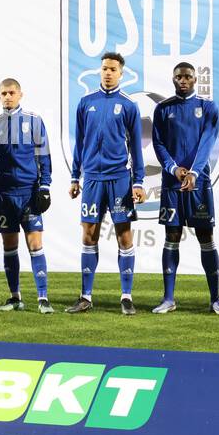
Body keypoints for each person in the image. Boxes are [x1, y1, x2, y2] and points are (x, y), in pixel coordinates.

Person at [66, 52, 146, 315]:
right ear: (99, 71)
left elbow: (136, 147)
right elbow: (80, 142)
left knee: (124, 234)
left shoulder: (129, 105)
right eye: (104, 69)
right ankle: (86, 296)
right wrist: (75, 176)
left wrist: (139, 182)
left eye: (113, 69)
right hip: (92, 180)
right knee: (88, 234)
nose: (108, 73)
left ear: (121, 73)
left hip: (120, 179)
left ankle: (126, 296)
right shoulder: (86, 102)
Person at [151, 62, 219, 315]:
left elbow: (207, 142)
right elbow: (158, 144)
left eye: (187, 77)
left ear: (195, 79)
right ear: (172, 79)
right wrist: (174, 169)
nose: (183, 80)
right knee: (171, 236)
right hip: (173, 184)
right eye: (178, 77)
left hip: (199, 183)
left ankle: (215, 298)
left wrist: (194, 172)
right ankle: (168, 298)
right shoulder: (163, 109)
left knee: (205, 237)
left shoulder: (207, 107)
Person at [0, 77, 53, 313]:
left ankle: (43, 298)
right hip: (4, 194)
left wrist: (45, 187)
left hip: (29, 193)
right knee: (9, 245)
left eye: (12, 93)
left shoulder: (34, 121)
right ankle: (15, 297)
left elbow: (44, 157)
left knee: (35, 244)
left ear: (20, 95)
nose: (8, 97)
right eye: (3, 93)